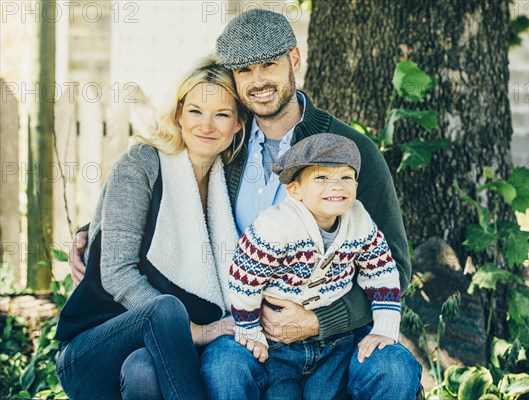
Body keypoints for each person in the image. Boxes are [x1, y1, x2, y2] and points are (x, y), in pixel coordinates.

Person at [69, 9, 422, 399]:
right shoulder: (226, 144)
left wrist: (318, 321)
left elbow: (396, 267)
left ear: (295, 60)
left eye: (269, 65)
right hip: (246, 332)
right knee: (222, 367)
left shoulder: (349, 152)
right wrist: (94, 231)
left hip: (332, 333)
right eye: (243, 71)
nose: (258, 82)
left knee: (394, 368)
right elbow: (169, 192)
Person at [55, 57, 247, 399]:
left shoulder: (231, 180)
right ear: (178, 115)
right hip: (93, 344)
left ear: (237, 124)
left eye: (221, 114)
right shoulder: (142, 162)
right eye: (195, 111)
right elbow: (115, 270)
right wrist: (199, 331)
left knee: (143, 372)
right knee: (165, 309)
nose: (207, 125)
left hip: (152, 354)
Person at [230, 133, 402, 400]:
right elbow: (244, 278)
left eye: (346, 177)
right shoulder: (274, 226)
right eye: (321, 178)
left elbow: (381, 272)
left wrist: (384, 326)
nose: (336, 186)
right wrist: (249, 330)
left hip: (335, 341)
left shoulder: (359, 219)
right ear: (295, 189)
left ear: (356, 184)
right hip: (279, 344)